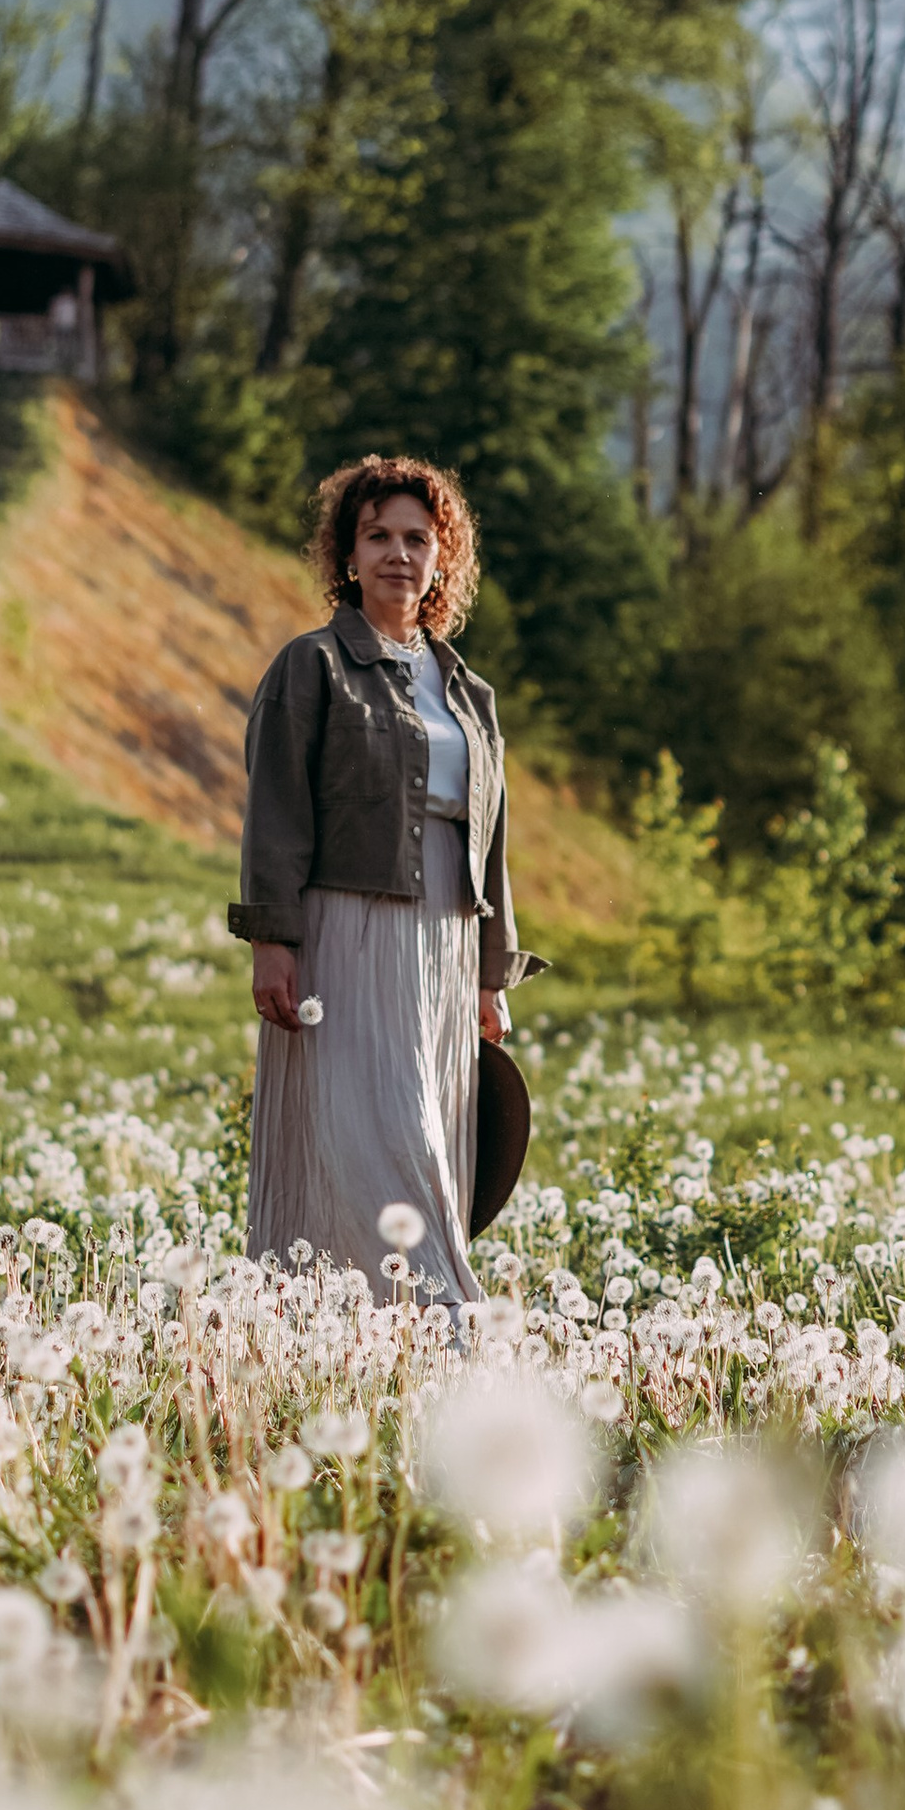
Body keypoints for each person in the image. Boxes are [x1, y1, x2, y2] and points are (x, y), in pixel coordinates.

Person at [232, 454, 538, 1305]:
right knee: (371, 1123)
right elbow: (277, 815)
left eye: (416, 537)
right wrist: (272, 940)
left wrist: (491, 975)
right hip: (347, 929)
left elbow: (492, 840)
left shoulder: (468, 693)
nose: (397, 553)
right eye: (378, 537)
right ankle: (425, 1303)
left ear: (444, 557)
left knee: (433, 1122)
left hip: (446, 931)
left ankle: (391, 1318)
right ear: (348, 554)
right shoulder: (313, 667)